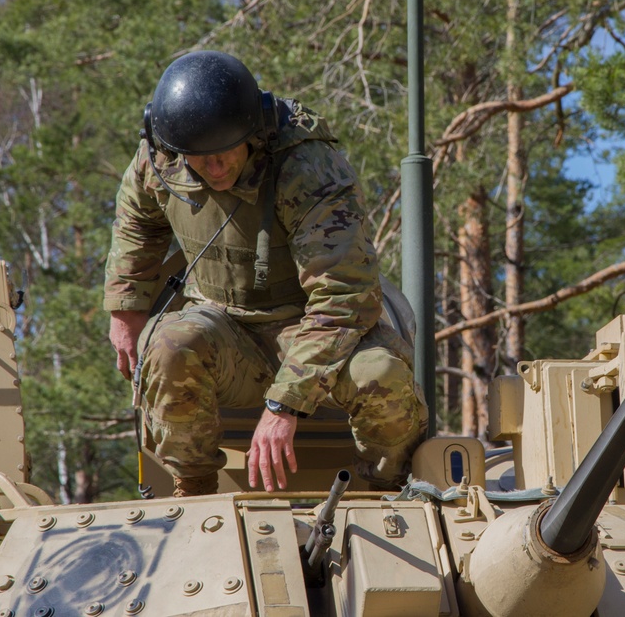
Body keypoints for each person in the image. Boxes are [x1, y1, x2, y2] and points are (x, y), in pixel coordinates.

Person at [104, 50, 427, 497]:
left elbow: (343, 297)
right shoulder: (164, 153)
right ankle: (193, 491)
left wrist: (285, 403)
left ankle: (381, 493)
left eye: (225, 155)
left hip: (311, 327)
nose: (215, 170)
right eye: (202, 159)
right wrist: (126, 310)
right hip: (224, 325)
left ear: (252, 132)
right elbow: (137, 222)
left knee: (381, 375)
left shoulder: (305, 164)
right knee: (166, 346)